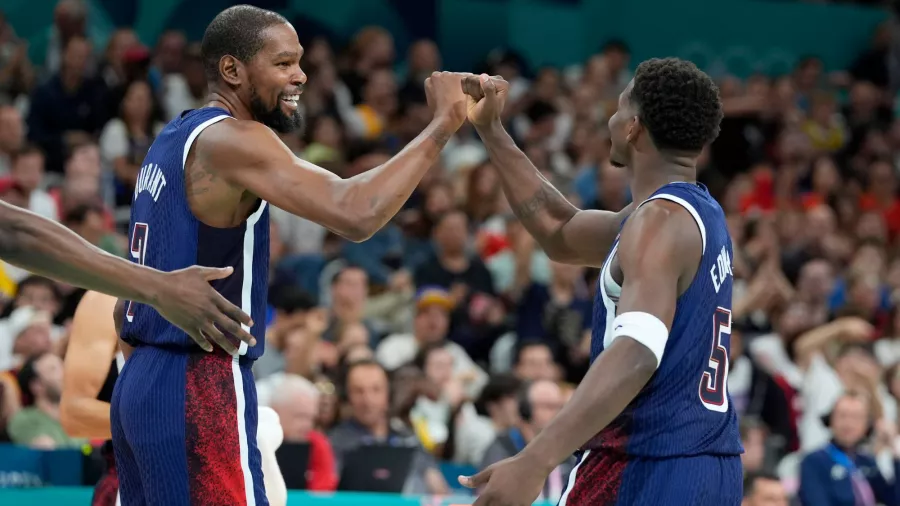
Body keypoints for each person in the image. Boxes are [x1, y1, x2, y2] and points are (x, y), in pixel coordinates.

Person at [112, 5, 468, 506]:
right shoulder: (236, 139)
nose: (300, 74)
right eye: (282, 63)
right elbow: (355, 212)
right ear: (233, 70)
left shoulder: (169, 141)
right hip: (198, 380)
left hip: (141, 380)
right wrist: (443, 125)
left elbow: (125, 296)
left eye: (299, 61)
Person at [459, 58, 742, 505]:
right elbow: (560, 232)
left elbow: (638, 350)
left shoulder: (659, 221)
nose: (609, 119)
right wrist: (492, 131)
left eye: (617, 108)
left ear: (632, 127)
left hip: (646, 463)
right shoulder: (695, 214)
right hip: (711, 465)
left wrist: (535, 460)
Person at [60, 292, 289, 506]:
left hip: (222, 463)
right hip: (140, 471)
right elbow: (75, 414)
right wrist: (184, 423)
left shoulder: (232, 292)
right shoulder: (107, 299)